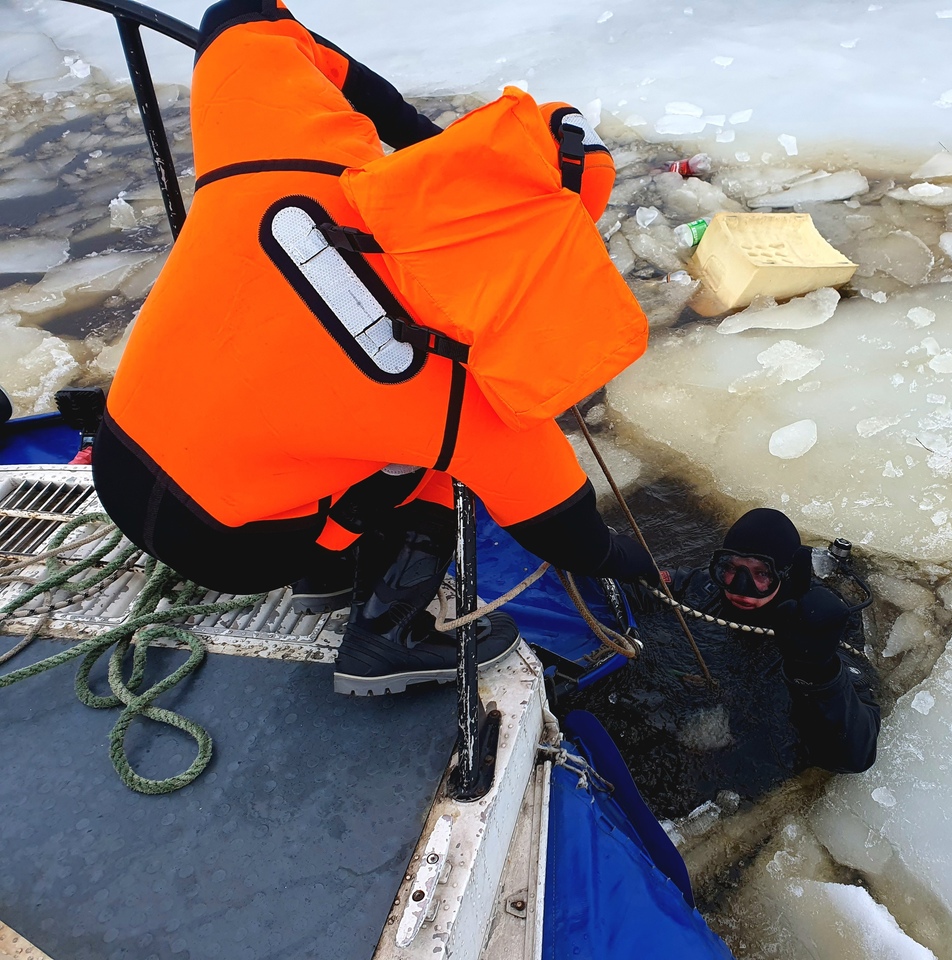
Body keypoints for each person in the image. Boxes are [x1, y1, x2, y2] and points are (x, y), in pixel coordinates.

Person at [91, 0, 656, 696]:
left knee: (321, 416)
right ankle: (383, 639)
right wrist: (636, 562)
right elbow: (568, 534)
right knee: (432, 473)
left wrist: (416, 137)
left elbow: (236, 19)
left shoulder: (281, 148)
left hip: (120, 456)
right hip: (231, 546)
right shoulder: (463, 388)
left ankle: (324, 573)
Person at [638, 508, 880, 774]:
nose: (740, 585)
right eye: (731, 568)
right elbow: (651, 588)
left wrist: (819, 669)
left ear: (785, 574)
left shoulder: (821, 623)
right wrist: (619, 563)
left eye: (761, 574)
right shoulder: (709, 586)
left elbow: (856, 756)